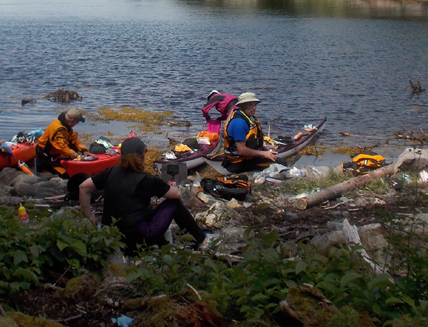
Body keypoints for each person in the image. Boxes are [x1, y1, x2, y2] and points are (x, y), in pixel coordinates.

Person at [79, 137, 210, 252]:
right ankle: (201, 240)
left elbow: (83, 187)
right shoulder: (147, 180)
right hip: (136, 240)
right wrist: (170, 190)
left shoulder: (110, 172)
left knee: (145, 210)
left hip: (111, 235)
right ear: (142, 156)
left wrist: (89, 216)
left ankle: (168, 241)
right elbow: (175, 194)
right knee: (174, 204)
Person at [220, 92, 277, 173]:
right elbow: (241, 150)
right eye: (250, 105)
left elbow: (250, 140)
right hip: (238, 163)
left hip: (246, 158)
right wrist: (264, 154)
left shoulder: (249, 118)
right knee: (281, 163)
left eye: (254, 105)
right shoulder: (239, 123)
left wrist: (264, 148)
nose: (253, 108)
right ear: (242, 106)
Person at [36, 106, 88, 176]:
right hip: (46, 157)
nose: (78, 122)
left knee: (73, 147)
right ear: (71, 121)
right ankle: (42, 168)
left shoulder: (66, 126)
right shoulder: (57, 129)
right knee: (66, 175)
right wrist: (77, 156)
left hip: (57, 154)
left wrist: (84, 150)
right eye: (77, 121)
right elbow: (62, 148)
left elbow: (74, 139)